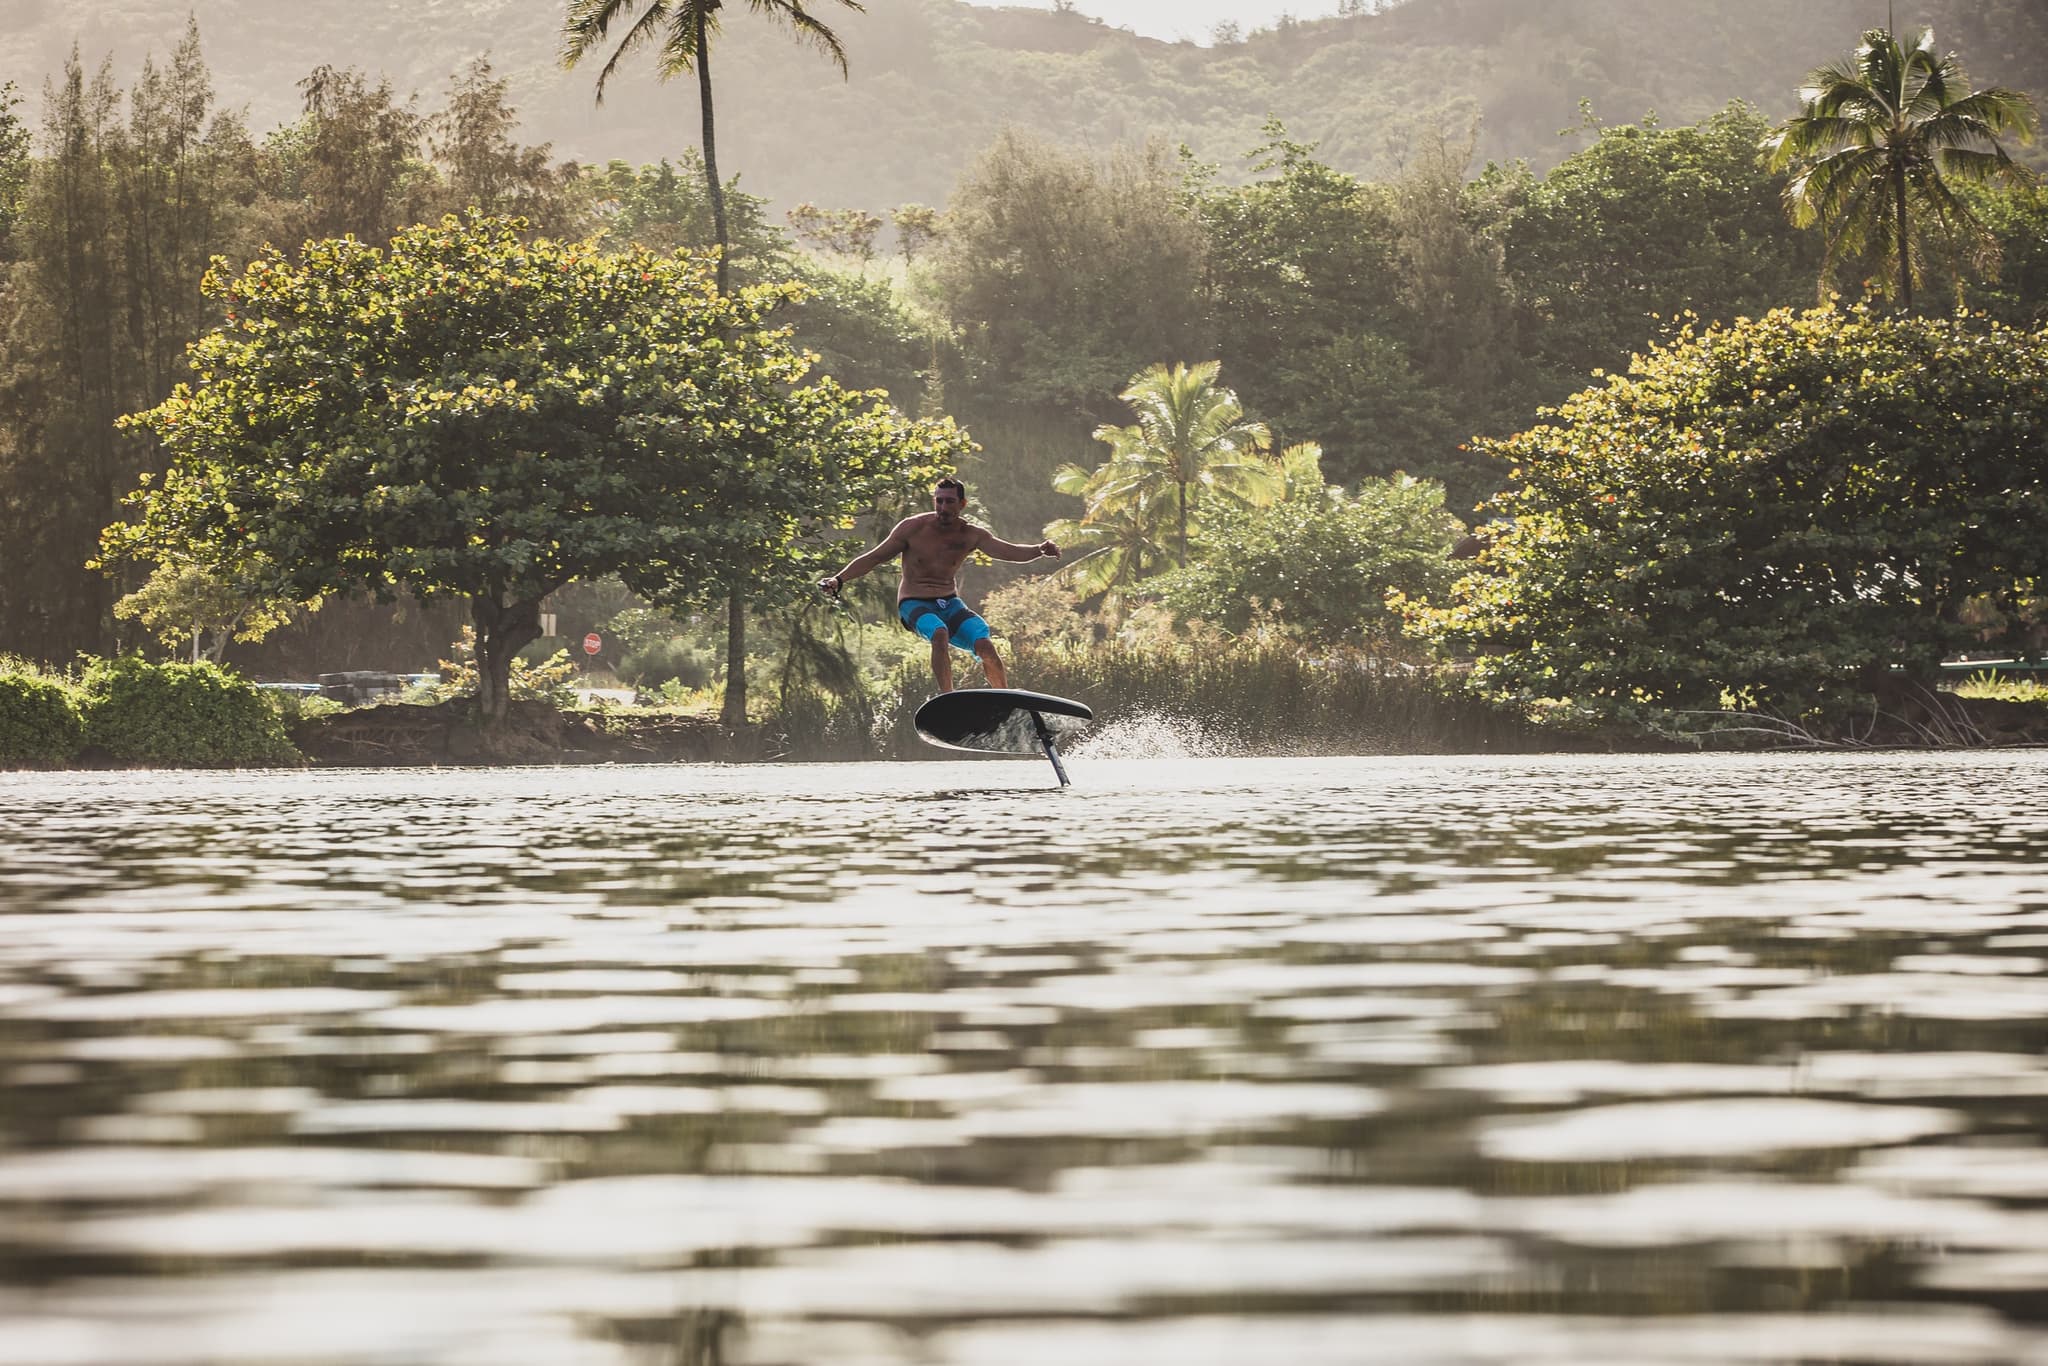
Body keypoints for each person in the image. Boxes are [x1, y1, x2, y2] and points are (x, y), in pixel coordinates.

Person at [820, 476, 1059, 693]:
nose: (943, 508)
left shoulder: (971, 534)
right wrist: (838, 579)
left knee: (985, 644)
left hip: (950, 602)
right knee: (939, 632)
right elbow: (874, 557)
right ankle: (948, 697)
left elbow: (1009, 551)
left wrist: (1039, 550)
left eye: (949, 502)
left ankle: (1005, 699)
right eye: (939, 501)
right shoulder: (912, 528)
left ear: (962, 504)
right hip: (914, 602)